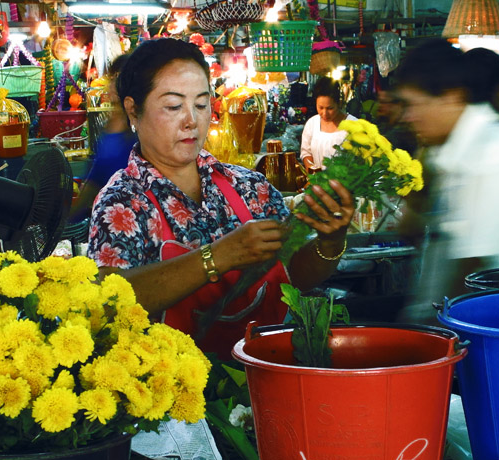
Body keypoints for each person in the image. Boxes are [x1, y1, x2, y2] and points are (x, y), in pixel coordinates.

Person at [87, 38, 354, 358]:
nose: (191, 120)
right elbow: (108, 300)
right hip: (182, 395)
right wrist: (217, 257)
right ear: (133, 109)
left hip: (264, 376)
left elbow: (292, 275)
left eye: (201, 104)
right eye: (173, 106)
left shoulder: (250, 186)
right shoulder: (122, 203)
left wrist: (330, 241)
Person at [394, 39, 499, 324]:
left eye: (414, 105)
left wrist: (426, 334)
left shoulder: (495, 153)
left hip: (498, 333)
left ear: (451, 97)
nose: (409, 117)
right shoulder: (451, 151)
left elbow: (472, 272)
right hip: (460, 323)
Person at [69, 54, 136, 223]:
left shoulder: (140, 127)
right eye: (111, 78)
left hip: (128, 218)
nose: (110, 85)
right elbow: (98, 172)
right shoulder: (111, 121)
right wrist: (72, 216)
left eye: (117, 78)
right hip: (103, 215)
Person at [300, 77, 357, 172]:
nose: (324, 113)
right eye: (320, 107)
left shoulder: (354, 125)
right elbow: (306, 153)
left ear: (339, 103)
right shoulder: (312, 124)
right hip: (317, 184)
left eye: (330, 108)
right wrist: (313, 171)